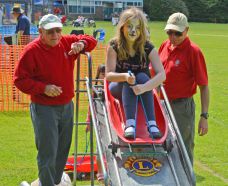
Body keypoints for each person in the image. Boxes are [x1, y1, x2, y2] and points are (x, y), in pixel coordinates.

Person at [13, 14, 97, 186]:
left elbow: (91, 39)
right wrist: (43, 88)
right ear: (40, 31)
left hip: (67, 105)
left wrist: (82, 43)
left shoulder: (66, 42)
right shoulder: (31, 50)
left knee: (63, 150)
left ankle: (54, 182)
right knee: (48, 152)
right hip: (43, 107)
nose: (55, 35)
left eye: (58, 30)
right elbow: (19, 79)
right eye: (50, 31)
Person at [106, 7, 166, 139]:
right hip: (118, 87)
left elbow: (162, 74)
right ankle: (130, 124)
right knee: (131, 77)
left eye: (138, 28)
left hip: (142, 89)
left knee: (142, 76)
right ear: (122, 27)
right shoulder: (114, 46)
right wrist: (125, 77)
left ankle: (152, 123)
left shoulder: (147, 47)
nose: (133, 31)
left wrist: (144, 87)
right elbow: (109, 75)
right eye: (130, 26)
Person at [159, 12, 209, 166]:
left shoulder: (194, 51)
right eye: (169, 32)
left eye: (178, 33)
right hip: (161, 105)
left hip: (181, 107)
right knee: (161, 146)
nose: (173, 36)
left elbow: (204, 86)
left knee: (182, 148)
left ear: (186, 30)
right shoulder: (164, 46)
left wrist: (204, 116)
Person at [85, 64, 105, 183]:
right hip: (99, 123)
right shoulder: (95, 91)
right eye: (102, 74)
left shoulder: (113, 88)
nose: (105, 77)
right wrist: (88, 122)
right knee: (99, 149)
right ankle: (101, 172)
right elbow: (90, 108)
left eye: (107, 74)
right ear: (98, 76)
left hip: (110, 123)